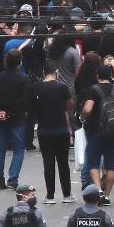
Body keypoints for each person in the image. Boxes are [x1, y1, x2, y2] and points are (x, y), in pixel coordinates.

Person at [80, 64, 114, 205]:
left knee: (93, 162)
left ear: (97, 76)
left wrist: (82, 117)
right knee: (111, 166)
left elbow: (88, 108)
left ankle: (98, 189)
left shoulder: (93, 90)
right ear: (110, 75)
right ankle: (107, 196)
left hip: (95, 130)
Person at [28, 60, 75, 203]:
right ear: (56, 72)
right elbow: (70, 104)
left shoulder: (36, 87)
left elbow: (31, 108)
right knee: (63, 162)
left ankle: (50, 196)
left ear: (43, 73)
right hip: (61, 129)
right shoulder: (63, 87)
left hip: (44, 130)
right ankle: (67, 195)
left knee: (48, 163)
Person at [0, 49, 31, 189]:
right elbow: (24, 100)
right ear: (20, 62)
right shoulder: (24, 79)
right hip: (17, 117)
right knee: (18, 149)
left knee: (0, 148)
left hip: (2, 116)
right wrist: (10, 112)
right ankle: (13, 179)